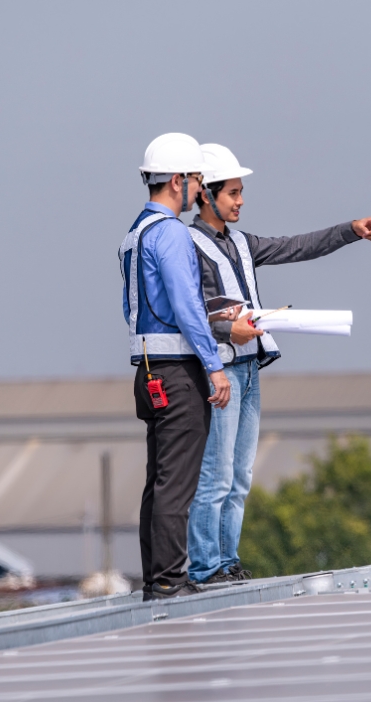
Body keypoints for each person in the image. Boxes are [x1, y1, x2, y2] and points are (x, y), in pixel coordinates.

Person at [185, 143, 371, 584]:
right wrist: (224, 331)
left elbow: (296, 246)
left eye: (241, 193)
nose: (240, 201)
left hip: (250, 368)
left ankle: (227, 561)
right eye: (233, 193)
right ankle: (204, 568)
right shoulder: (188, 244)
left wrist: (350, 231)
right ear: (206, 194)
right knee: (216, 476)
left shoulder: (241, 242)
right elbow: (185, 312)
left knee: (239, 475)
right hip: (218, 370)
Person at [119, 132, 233, 600]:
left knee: (160, 477)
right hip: (175, 369)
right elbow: (187, 304)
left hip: (147, 368)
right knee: (178, 479)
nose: (199, 192)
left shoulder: (136, 232)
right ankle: (169, 580)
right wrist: (214, 365)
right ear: (178, 180)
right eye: (197, 182)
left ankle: (156, 576)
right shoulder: (170, 233)